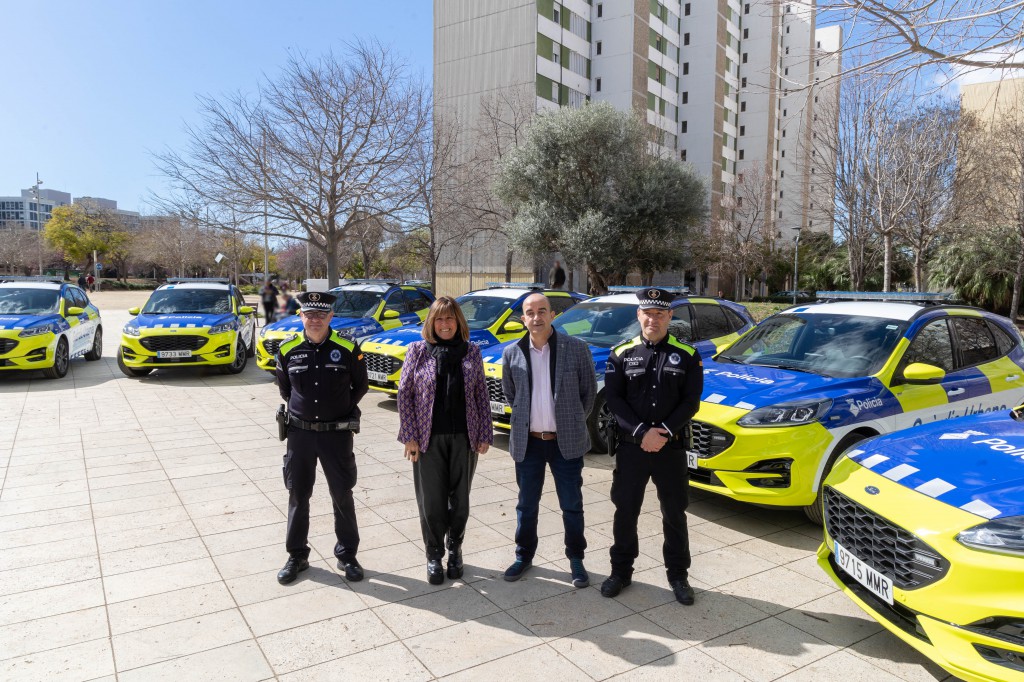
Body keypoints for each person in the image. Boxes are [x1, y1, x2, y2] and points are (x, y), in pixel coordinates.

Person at [601, 287, 703, 605]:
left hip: (670, 449)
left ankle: (678, 576)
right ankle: (621, 572)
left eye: (660, 314)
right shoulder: (621, 353)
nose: (653, 319)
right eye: (648, 313)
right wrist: (643, 431)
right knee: (625, 511)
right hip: (632, 448)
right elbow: (614, 400)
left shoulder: (688, 355)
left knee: (674, 513)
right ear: (638, 315)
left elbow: (691, 402)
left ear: (670, 316)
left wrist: (663, 432)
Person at [500, 293, 597, 587]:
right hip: (528, 443)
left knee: (572, 505)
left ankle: (576, 559)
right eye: (530, 312)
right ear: (523, 318)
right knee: (526, 505)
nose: (536, 317)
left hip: (564, 443)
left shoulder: (576, 349)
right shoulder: (512, 352)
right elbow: (511, 395)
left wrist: (568, 422)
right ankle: (523, 556)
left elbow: (588, 395)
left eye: (542, 311)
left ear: (553, 314)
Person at [275, 290, 369, 585]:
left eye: (321, 314)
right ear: (300, 316)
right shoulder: (288, 349)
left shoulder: (348, 347)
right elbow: (286, 390)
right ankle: (297, 555)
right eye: (309, 314)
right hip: (300, 435)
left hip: (336, 435)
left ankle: (347, 555)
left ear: (331, 316)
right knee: (298, 495)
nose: (315, 320)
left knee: (342, 494)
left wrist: (339, 409)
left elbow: (360, 386)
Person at [397, 297, 493, 584]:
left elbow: (480, 395)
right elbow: (405, 395)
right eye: (439, 319)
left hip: (465, 438)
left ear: (459, 322)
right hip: (427, 440)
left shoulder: (471, 351)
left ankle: (455, 550)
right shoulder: (417, 351)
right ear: (431, 323)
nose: (445, 324)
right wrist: (410, 437)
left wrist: (484, 434)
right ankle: (433, 555)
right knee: (432, 501)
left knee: (460, 500)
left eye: (450, 318)